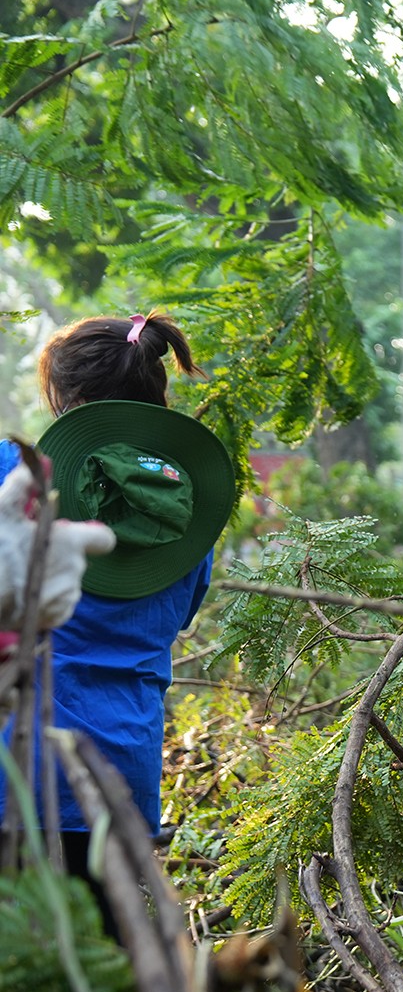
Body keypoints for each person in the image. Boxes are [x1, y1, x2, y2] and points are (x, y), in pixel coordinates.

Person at [0, 312, 233, 894]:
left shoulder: (12, 472)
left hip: (12, 758)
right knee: (109, 949)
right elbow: (176, 616)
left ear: (69, 399)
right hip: (122, 762)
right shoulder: (187, 509)